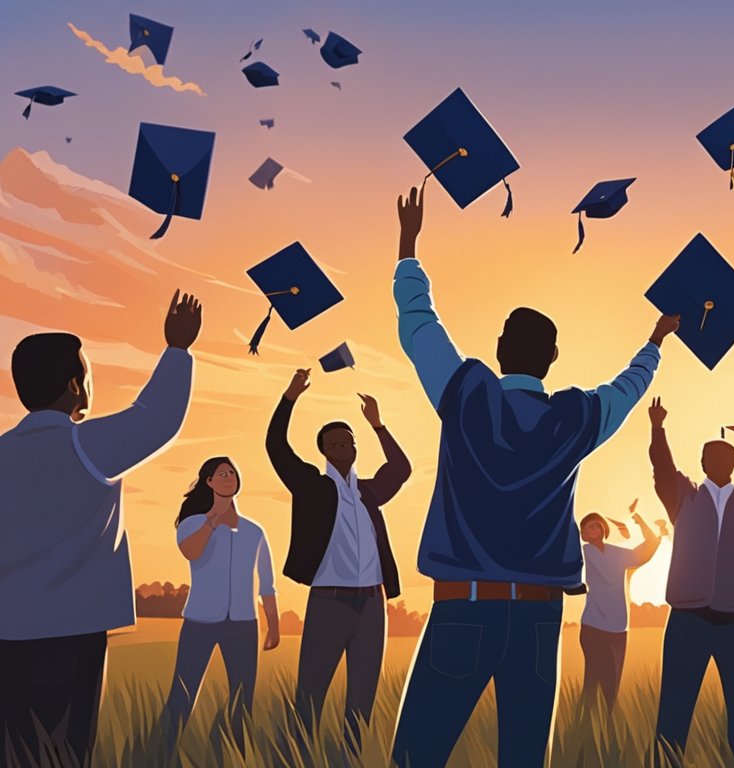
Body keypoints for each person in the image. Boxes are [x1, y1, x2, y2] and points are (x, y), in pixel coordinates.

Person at [388, 186, 678, 768]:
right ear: (551, 360)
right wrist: (654, 341)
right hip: (540, 616)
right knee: (523, 758)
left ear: (498, 350)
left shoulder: (465, 393)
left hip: (464, 605)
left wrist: (409, 244)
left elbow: (419, 324)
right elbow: (624, 392)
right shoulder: (572, 419)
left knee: (417, 758)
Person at [0, 291, 200, 766]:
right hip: (71, 634)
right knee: (66, 752)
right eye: (88, 374)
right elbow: (156, 419)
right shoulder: (86, 447)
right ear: (75, 385)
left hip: (6, 632)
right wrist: (177, 349)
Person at [266, 373, 410, 749]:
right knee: (310, 695)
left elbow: (401, 469)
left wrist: (378, 425)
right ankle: (296, 756)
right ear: (324, 450)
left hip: (372, 605)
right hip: (329, 601)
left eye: (348, 441)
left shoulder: (369, 492)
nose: (342, 446)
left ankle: (351, 758)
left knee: (362, 700)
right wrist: (289, 398)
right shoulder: (312, 486)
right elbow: (277, 448)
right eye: (333, 443)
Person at [649, 396, 734, 767]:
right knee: (675, 705)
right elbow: (662, 468)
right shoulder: (684, 497)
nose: (720, 462)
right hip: (688, 618)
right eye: (713, 457)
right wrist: (657, 428)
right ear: (703, 463)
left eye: (727, 458)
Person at [161, 457, 280, 751]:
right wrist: (211, 521)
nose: (228, 477)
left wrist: (274, 626)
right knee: (183, 690)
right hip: (200, 621)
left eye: (232, 473)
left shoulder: (255, 531)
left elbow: (267, 583)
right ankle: (162, 749)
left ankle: (231, 749)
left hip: (243, 623)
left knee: (242, 694)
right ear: (209, 482)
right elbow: (191, 553)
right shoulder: (191, 523)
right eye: (221, 474)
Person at [578, 510, 660, 710]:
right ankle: (581, 725)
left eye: (597, 525)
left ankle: (606, 726)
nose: (593, 529)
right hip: (593, 625)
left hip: (618, 627)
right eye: (588, 527)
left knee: (612, 684)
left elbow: (649, 547)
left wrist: (641, 521)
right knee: (592, 681)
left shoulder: (618, 554)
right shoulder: (583, 553)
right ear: (583, 534)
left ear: (603, 529)